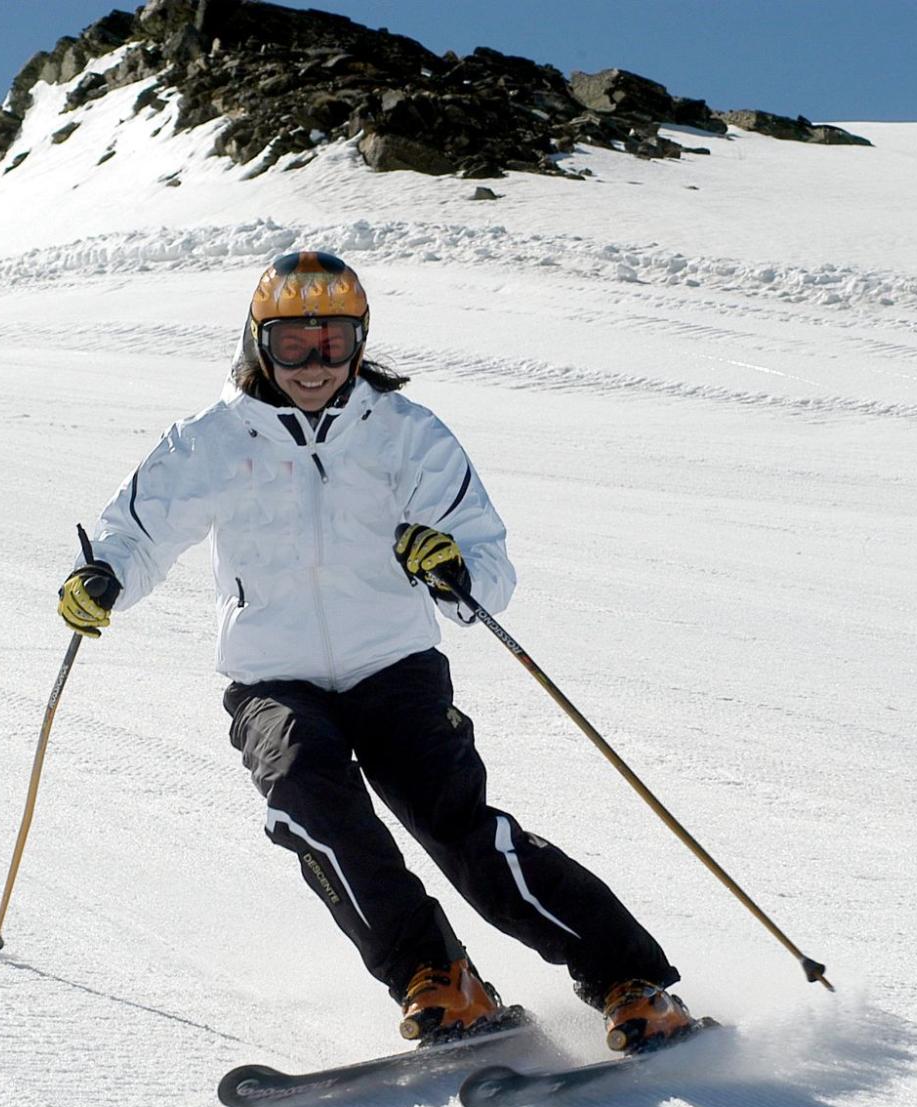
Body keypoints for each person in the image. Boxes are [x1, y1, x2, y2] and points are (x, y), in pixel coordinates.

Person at [58, 251, 694, 1051]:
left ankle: (626, 980)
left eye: (333, 344)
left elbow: (486, 564)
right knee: (307, 803)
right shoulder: (208, 442)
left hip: (393, 666)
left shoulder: (404, 434)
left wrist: (451, 568)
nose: (314, 365)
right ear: (258, 343)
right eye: (293, 345)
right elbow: (136, 534)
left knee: (458, 830)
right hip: (272, 678)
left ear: (359, 343)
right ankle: (437, 976)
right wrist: (105, 577)